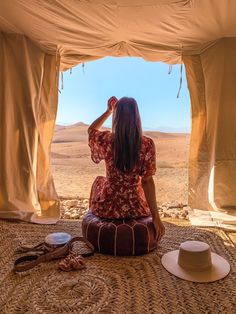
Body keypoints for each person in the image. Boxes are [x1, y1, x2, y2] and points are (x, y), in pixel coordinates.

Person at [88, 96, 165, 242]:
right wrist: (156, 217)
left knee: (99, 181)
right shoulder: (147, 144)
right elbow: (147, 181)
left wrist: (108, 111)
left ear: (117, 117)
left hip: (108, 206)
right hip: (134, 207)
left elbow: (91, 130)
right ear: (137, 117)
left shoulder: (107, 140)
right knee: (139, 188)